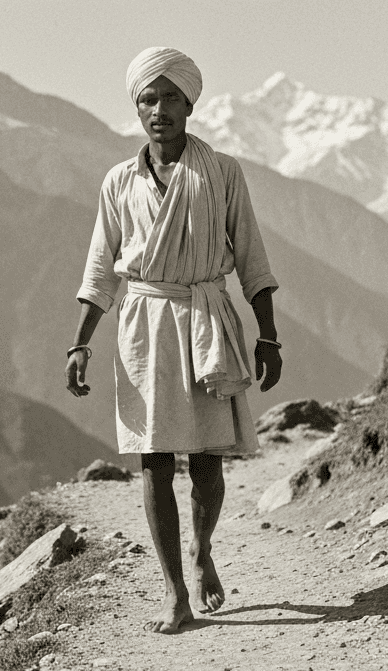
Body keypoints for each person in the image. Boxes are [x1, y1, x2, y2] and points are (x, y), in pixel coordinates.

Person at [66, 47, 283, 634]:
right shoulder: (119, 181)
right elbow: (100, 270)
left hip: (206, 314)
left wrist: (269, 337)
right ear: (136, 108)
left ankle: (202, 547)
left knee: (208, 459)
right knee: (154, 458)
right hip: (144, 323)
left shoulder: (223, 173)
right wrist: (80, 344)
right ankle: (174, 592)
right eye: (147, 99)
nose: (158, 110)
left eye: (169, 98)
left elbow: (252, 259)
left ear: (190, 104)